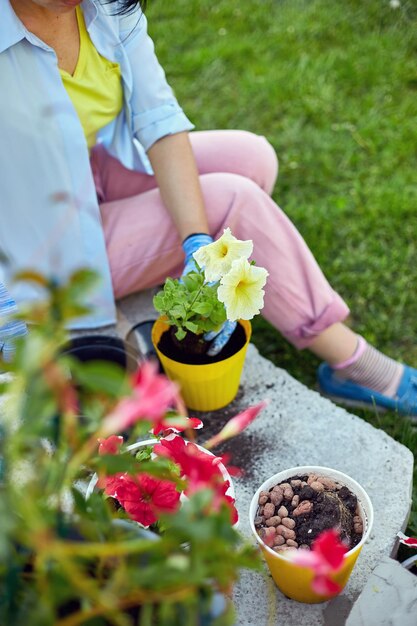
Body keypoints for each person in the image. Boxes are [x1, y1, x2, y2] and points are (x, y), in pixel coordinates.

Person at [1, 0, 416, 416]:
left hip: (88, 173)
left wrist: (196, 240)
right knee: (234, 202)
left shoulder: (106, 7)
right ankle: (354, 365)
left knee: (253, 158)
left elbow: (159, 120)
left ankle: (204, 290)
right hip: (42, 244)